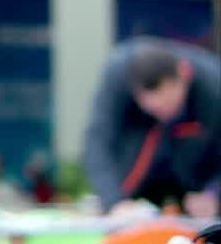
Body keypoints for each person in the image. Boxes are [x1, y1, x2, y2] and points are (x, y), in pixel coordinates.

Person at [83, 37, 221, 219]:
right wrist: (114, 201)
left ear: (183, 75)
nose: (165, 113)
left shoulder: (214, 84)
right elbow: (98, 141)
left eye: (170, 104)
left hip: (197, 172)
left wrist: (213, 193)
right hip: (139, 171)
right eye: (156, 109)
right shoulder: (118, 77)